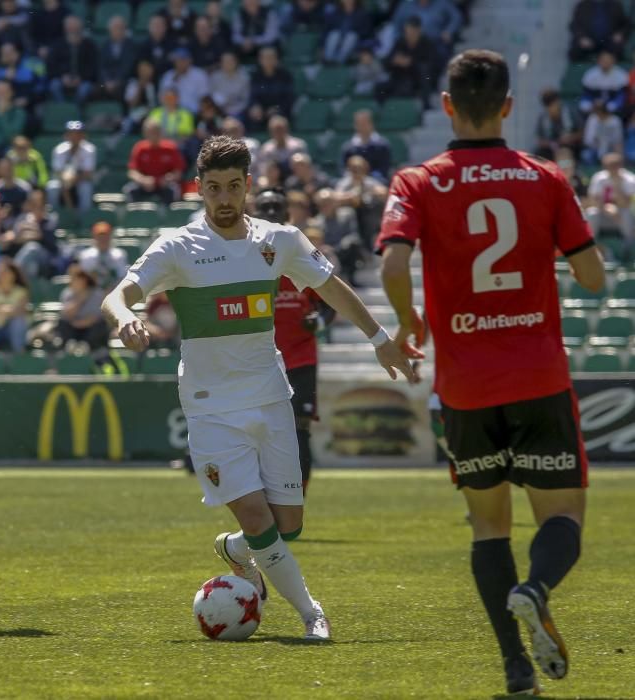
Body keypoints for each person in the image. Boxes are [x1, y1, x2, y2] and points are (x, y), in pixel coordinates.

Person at [103, 135, 413, 640]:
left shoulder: (279, 240)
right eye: (213, 189)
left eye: (232, 187)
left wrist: (379, 338)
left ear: (248, 185)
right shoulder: (178, 247)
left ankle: (237, 549)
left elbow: (330, 287)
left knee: (287, 526)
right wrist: (125, 319)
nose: (224, 198)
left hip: (270, 396)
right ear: (198, 189)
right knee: (255, 514)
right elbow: (118, 295)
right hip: (210, 408)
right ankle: (312, 612)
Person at [376, 50, 605, 696]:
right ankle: (534, 590)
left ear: (447, 106)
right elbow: (591, 277)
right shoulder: (546, 178)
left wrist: (407, 320)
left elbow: (393, 266)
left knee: (488, 527)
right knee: (562, 520)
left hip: (466, 386)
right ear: (509, 106)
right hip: (538, 375)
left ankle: (516, 670)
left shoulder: (418, 180)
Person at [255, 188, 333, 495]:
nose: (271, 211)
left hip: (300, 356)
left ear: (287, 214)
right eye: (265, 207)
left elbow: (329, 298)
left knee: (299, 427)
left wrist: (320, 319)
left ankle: (296, 499)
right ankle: (264, 498)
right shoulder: (241, 256)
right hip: (260, 356)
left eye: (277, 206)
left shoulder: (302, 252)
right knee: (260, 430)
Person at [125, 118, 186, 204]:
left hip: (165, 184)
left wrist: (168, 179)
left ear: (161, 132)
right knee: (130, 190)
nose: (154, 135)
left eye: (156, 132)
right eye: (150, 132)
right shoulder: (139, 148)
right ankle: (136, 216)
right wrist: (143, 180)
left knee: (174, 190)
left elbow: (178, 172)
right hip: (145, 184)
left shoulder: (171, 147)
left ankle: (171, 216)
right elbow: (132, 172)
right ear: (145, 133)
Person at [46, 120, 96, 215]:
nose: (74, 137)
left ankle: (84, 217)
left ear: (83, 136)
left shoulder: (89, 149)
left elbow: (87, 174)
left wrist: (72, 180)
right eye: (71, 134)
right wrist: (66, 183)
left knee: (86, 188)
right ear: (66, 136)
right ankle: (53, 217)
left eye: (78, 134)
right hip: (63, 180)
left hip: (81, 180)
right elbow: (58, 172)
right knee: (52, 187)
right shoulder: (59, 150)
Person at [584, 151, 635, 244]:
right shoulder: (599, 178)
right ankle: (589, 245)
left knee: (627, 214)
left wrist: (616, 185)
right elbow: (592, 201)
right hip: (604, 214)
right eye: (609, 165)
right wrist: (606, 208)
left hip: (621, 216)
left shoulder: (630, 179)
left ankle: (629, 246)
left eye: (615, 165)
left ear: (621, 165)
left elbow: (626, 204)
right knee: (591, 212)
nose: (612, 168)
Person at [0, 257, 30, 354]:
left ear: (13, 274)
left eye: (5, 271)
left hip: (11, 329)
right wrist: (9, 310)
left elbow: (20, 310)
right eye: (0, 271)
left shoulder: (21, 291)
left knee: (19, 321)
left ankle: (20, 356)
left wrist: (1, 310)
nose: (2, 274)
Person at [78, 221, 128, 291]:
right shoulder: (85, 256)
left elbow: (121, 278)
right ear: (94, 237)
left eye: (105, 236)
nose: (103, 239)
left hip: (113, 292)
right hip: (92, 295)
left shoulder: (119, 255)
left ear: (110, 236)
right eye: (100, 236)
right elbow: (82, 281)